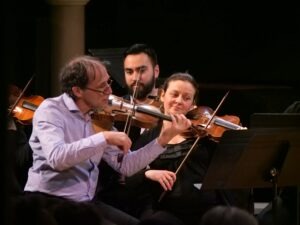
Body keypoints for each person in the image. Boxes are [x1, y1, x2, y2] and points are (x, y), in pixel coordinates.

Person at [23, 55, 191, 225]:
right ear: (78, 91)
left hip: (85, 204)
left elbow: (127, 166)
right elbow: (57, 158)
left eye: (108, 83)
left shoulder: (98, 117)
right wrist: (104, 137)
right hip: (50, 202)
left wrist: (163, 139)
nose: (110, 92)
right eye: (101, 88)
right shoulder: (51, 110)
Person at [128, 73, 254, 225]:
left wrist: (237, 138)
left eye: (186, 98)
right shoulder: (150, 136)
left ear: (193, 104)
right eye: (174, 94)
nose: (179, 101)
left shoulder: (205, 134)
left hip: (208, 209)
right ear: (162, 95)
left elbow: (232, 167)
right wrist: (149, 173)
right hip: (167, 209)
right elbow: (128, 172)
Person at [97, 43, 162, 215]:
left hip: (153, 198)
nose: (135, 78)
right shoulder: (113, 109)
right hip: (110, 194)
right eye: (129, 71)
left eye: (141, 70)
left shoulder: (168, 113)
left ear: (156, 72)